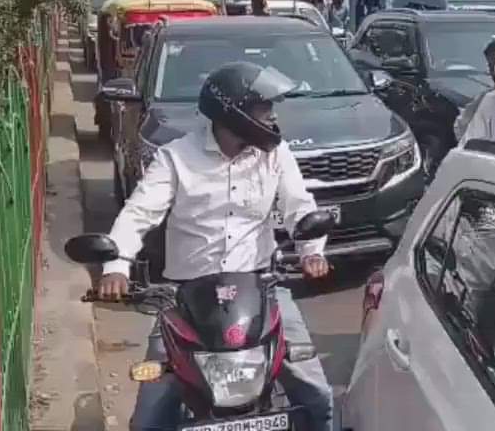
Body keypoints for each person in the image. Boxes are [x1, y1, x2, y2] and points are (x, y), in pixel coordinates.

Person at [96, 61, 335, 431]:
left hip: (260, 289)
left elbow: (299, 207)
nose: (271, 117)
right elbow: (139, 212)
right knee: (148, 418)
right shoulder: (175, 157)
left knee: (318, 398)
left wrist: (311, 252)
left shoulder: (275, 154)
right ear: (233, 112)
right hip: (186, 299)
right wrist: (116, 266)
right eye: (262, 108)